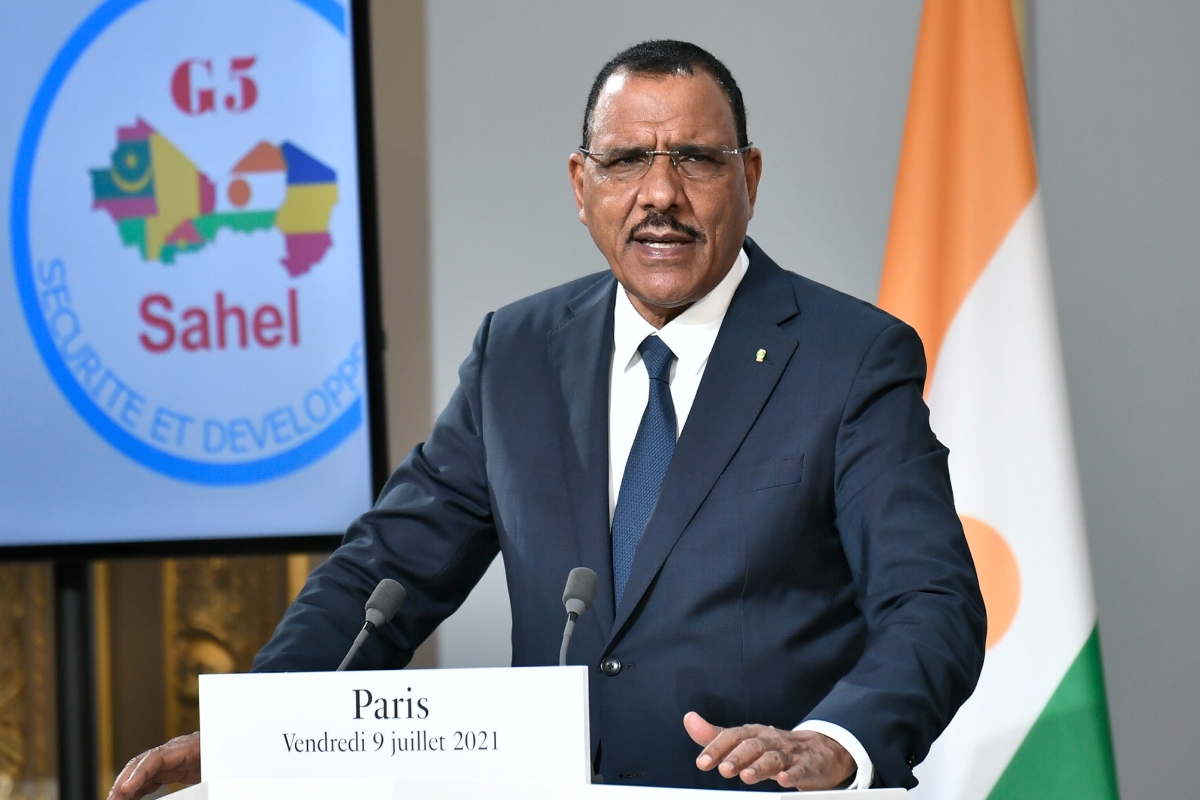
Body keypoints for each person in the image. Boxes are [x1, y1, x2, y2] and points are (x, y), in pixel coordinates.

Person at [109, 40, 985, 796]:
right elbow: (385, 571)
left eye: (695, 158)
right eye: (625, 162)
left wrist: (834, 743)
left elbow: (932, 603)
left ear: (748, 178)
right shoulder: (517, 354)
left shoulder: (849, 356)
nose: (659, 194)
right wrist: (265, 728)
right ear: (581, 185)